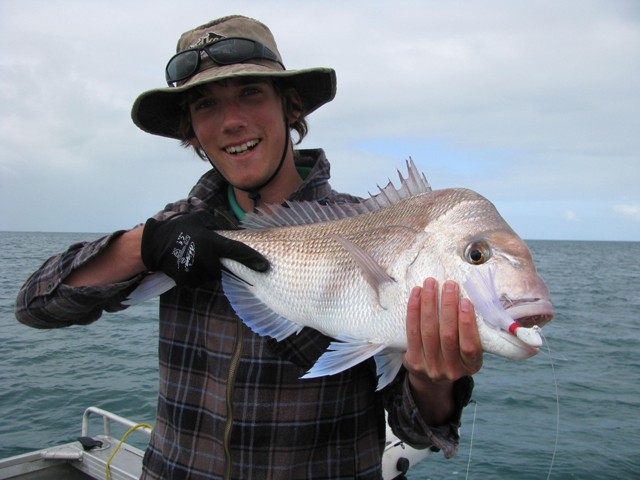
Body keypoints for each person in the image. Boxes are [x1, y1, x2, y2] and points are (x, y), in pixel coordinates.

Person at [15, 15, 482, 479]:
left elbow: (417, 431)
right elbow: (35, 306)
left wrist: (430, 380)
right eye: (205, 105)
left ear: (292, 107)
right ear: (191, 132)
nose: (232, 122)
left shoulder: (372, 231)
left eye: (251, 93)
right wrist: (146, 245)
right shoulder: (175, 230)